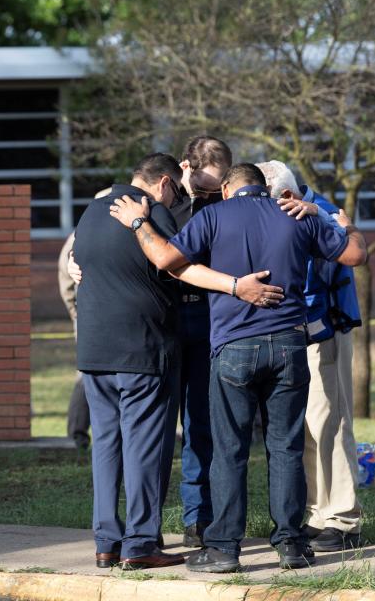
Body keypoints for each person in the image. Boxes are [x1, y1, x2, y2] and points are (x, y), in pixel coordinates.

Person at [108, 163, 368, 573]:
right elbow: (355, 254)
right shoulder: (295, 214)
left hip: (233, 348)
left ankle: (225, 548)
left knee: (229, 450)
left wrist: (138, 220)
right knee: (286, 447)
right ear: (264, 189)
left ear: (227, 190)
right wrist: (344, 224)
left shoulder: (212, 215)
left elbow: (164, 258)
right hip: (289, 346)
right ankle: (292, 545)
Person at [74, 154, 282, 570]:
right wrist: (235, 286)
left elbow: (80, 265)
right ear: (165, 183)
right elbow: (179, 264)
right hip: (142, 349)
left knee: (106, 447)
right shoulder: (151, 213)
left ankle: (105, 541)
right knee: (145, 447)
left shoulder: (90, 212)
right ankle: (141, 543)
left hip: (93, 351)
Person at [257, 160, 364, 552]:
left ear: (285, 196)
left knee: (329, 423)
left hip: (323, 334)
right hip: (292, 335)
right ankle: (318, 514)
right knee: (303, 429)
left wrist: (321, 217)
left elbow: (350, 250)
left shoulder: (322, 214)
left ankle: (342, 520)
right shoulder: (295, 209)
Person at [167, 136, 233, 548]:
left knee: (201, 423)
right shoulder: (159, 203)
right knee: (156, 426)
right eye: (203, 188)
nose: (209, 196)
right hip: (166, 319)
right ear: (183, 168)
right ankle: (143, 525)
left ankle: (198, 517)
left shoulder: (226, 203)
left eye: (216, 189)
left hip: (211, 317)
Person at [57, 231, 91, 450]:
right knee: (85, 376)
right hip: (88, 314)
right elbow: (65, 273)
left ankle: (76, 434)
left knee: (86, 374)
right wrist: (75, 312)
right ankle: (76, 433)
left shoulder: (83, 230)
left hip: (86, 312)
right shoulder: (82, 233)